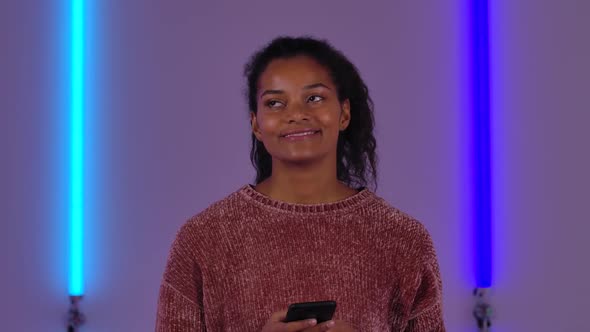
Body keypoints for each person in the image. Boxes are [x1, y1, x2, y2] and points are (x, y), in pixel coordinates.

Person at [155, 36, 445, 332]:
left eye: (314, 98)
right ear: (256, 124)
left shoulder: (404, 240)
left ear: (344, 113)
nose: (295, 114)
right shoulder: (202, 240)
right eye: (275, 103)